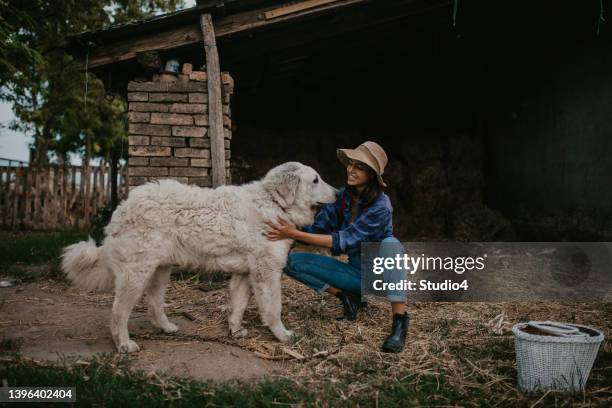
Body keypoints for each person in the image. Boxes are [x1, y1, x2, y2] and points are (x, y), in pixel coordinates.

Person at [265, 141, 409, 353]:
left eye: (359, 167)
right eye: (350, 164)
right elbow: (318, 228)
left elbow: (343, 240)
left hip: (380, 277)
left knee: (391, 245)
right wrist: (283, 230)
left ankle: (399, 321)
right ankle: (348, 296)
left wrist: (292, 233)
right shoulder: (343, 197)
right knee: (288, 260)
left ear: (371, 174)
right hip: (354, 273)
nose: (351, 169)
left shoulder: (381, 206)